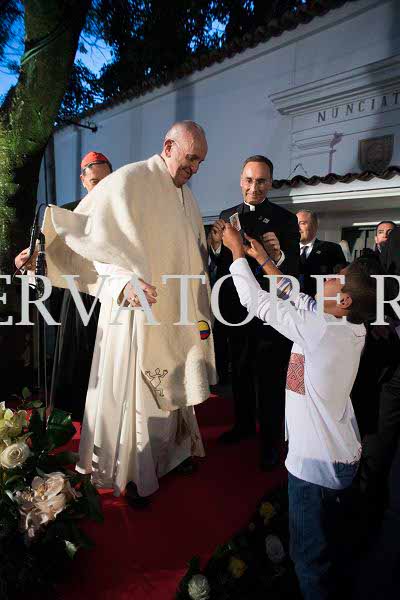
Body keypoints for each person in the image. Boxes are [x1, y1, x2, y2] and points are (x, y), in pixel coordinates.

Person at [41, 121, 216, 506]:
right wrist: (123, 283)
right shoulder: (128, 180)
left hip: (173, 314)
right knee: (137, 396)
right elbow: (86, 237)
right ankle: (134, 472)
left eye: (200, 162)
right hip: (133, 312)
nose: (194, 169)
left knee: (172, 389)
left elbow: (192, 255)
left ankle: (170, 456)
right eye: (190, 159)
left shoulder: (187, 197)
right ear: (168, 146)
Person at [222, 223, 377, 600]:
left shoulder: (321, 330)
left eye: (334, 280)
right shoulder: (347, 327)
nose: (326, 280)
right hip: (338, 459)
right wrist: (264, 260)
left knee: (308, 563)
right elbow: (299, 298)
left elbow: (257, 303)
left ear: (344, 300)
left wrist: (237, 255)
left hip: (315, 470)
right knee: (334, 554)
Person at [210, 155, 299, 469]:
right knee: (241, 373)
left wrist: (279, 255)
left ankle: (271, 443)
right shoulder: (226, 216)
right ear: (241, 181)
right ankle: (244, 425)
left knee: (271, 380)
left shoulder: (286, 220)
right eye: (249, 180)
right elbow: (221, 266)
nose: (254, 187)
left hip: (270, 314)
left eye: (261, 181)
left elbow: (294, 270)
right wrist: (215, 247)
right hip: (236, 312)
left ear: (270, 183)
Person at [14, 151, 113, 420]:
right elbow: (44, 255)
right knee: (75, 360)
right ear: (83, 181)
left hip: (110, 296)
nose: (100, 187)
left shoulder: (122, 211)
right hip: (75, 297)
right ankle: (73, 417)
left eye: (105, 181)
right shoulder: (65, 213)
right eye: (94, 181)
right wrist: (26, 262)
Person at [297, 210, 346, 297]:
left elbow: (340, 279)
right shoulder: (286, 251)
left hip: (320, 301)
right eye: (295, 224)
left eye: (302, 223)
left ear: (315, 226)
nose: (298, 228)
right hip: (292, 301)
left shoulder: (332, 249)